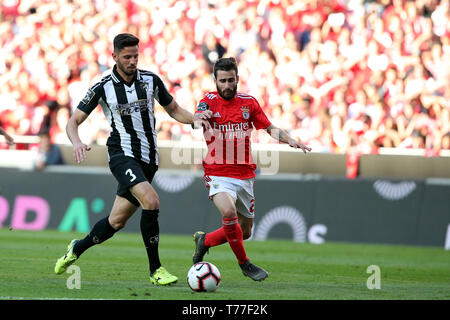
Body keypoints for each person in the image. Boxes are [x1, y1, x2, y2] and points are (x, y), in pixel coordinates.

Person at [54, 33, 211, 285]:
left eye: (136, 55)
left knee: (115, 222)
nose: (132, 61)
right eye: (127, 56)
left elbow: (173, 109)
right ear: (114, 56)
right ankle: (156, 270)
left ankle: (76, 248)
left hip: (149, 158)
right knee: (151, 200)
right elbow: (73, 122)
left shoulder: (150, 80)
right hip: (121, 154)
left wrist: (196, 120)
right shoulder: (102, 86)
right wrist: (77, 142)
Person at [192, 57, 312, 281]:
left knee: (244, 232)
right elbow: (198, 117)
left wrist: (290, 140)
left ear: (237, 79)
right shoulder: (208, 100)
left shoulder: (249, 103)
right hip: (217, 172)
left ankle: (205, 240)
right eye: (222, 81)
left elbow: (269, 128)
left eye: (230, 80)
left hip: (245, 174)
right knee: (228, 213)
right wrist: (199, 118)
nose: (227, 85)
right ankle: (245, 264)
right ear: (215, 81)